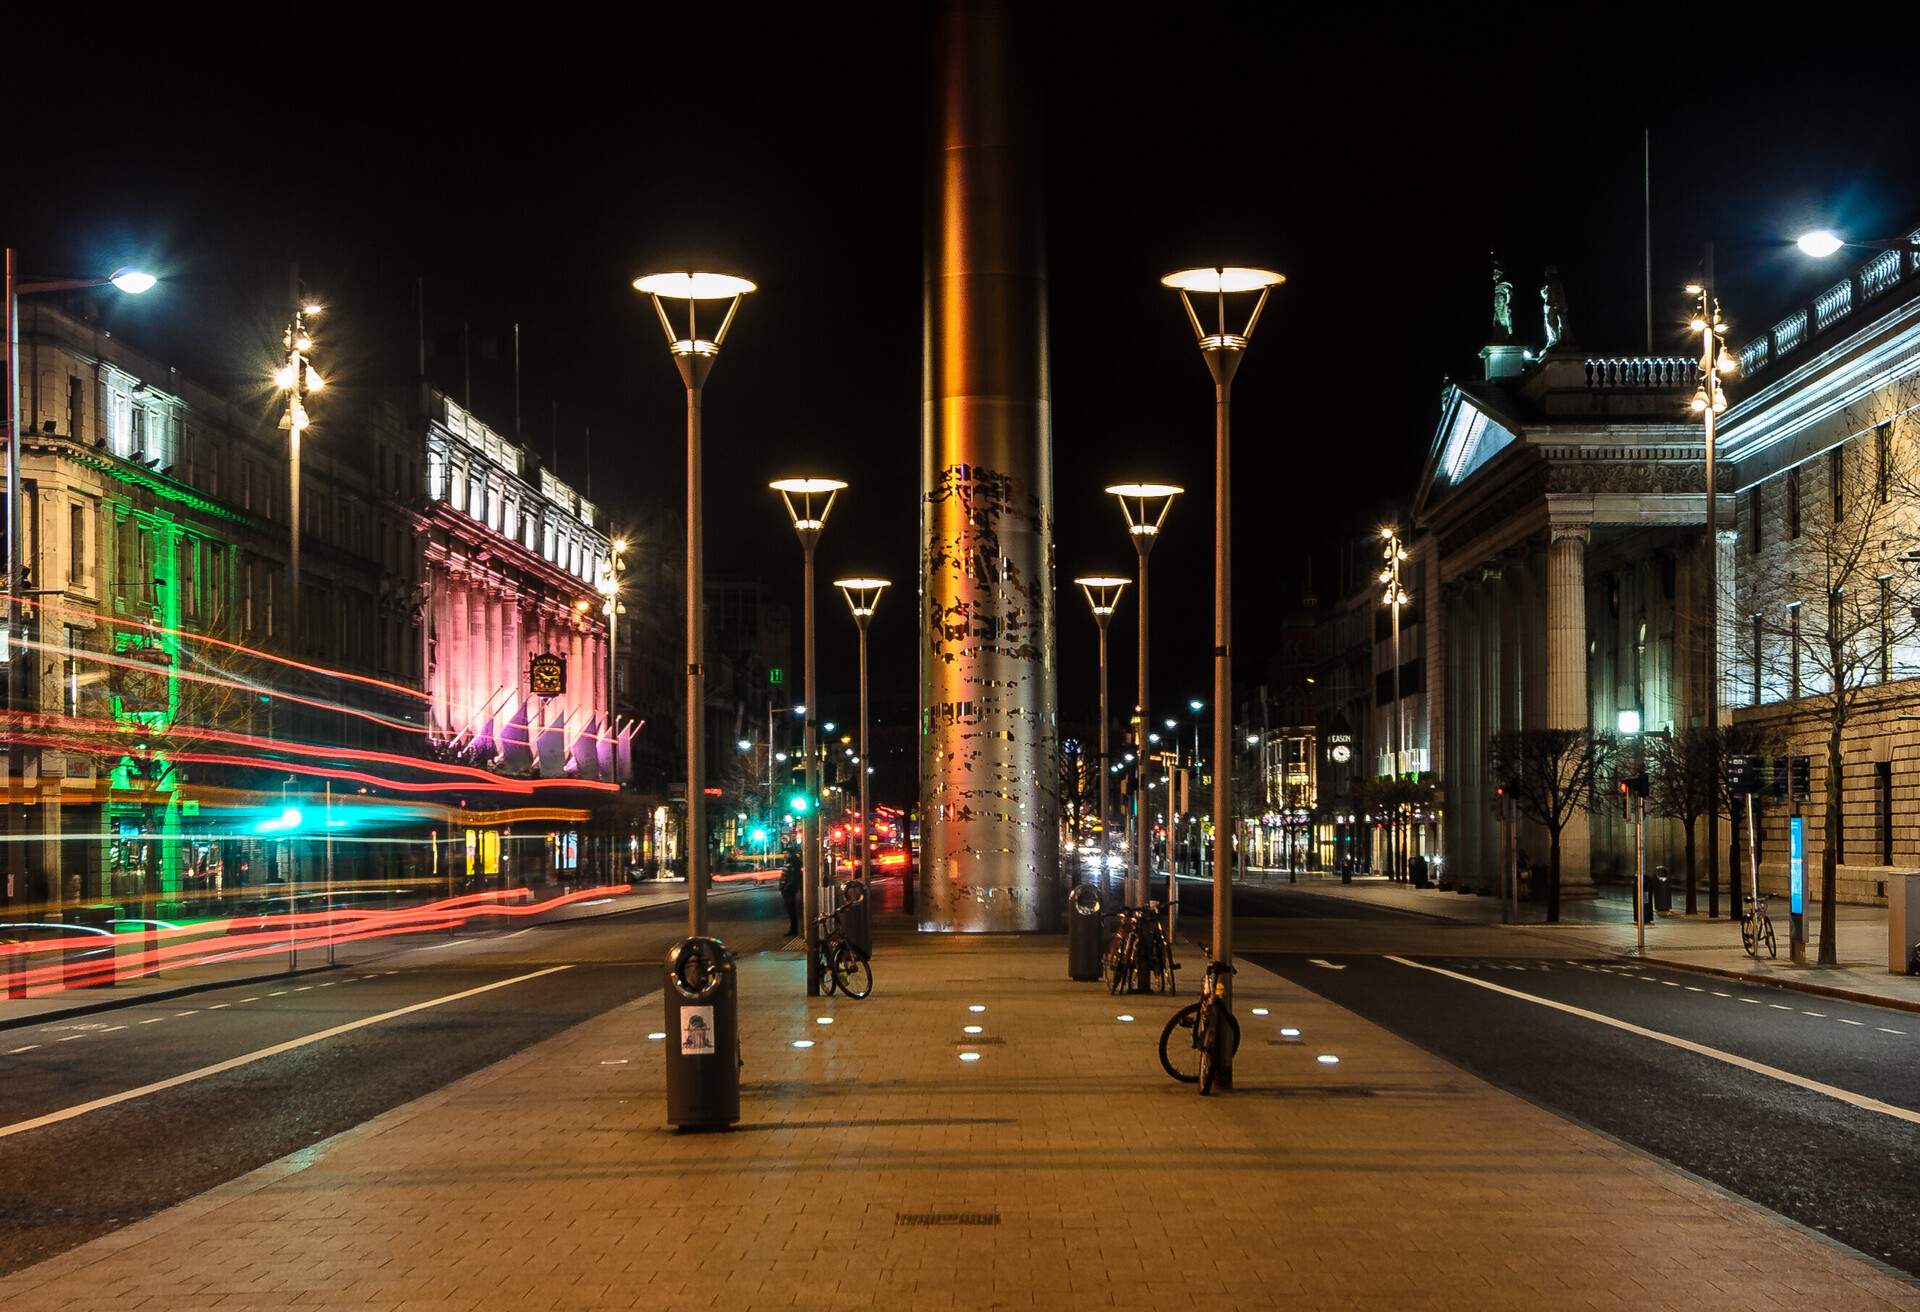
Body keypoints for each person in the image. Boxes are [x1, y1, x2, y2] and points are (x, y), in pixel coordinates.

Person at [779, 846, 803, 937]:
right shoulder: (789, 862)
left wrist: (787, 887)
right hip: (787, 889)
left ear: (791, 854)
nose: (784, 855)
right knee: (790, 910)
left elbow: (793, 877)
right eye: (784, 853)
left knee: (791, 910)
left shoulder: (793, 863)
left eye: (786, 853)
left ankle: (794, 930)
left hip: (789, 890)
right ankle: (793, 929)